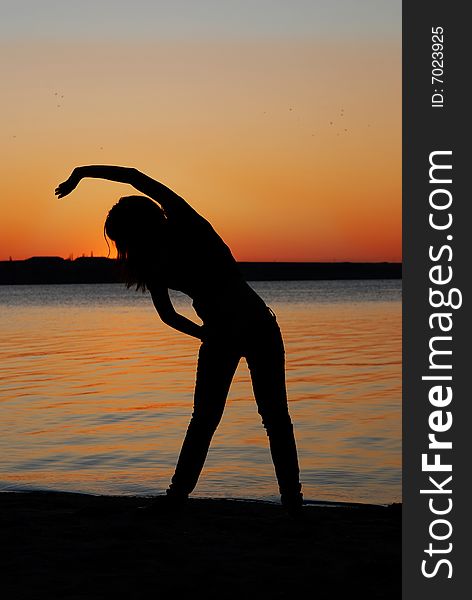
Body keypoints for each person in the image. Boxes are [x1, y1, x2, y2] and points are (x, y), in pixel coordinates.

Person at [55, 166, 303, 514]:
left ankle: (180, 496)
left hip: (243, 330)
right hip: (247, 327)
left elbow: (135, 177)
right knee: (263, 417)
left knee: (218, 417)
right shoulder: (164, 249)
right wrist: (208, 335)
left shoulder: (182, 225)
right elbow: (168, 315)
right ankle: (290, 500)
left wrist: (80, 173)